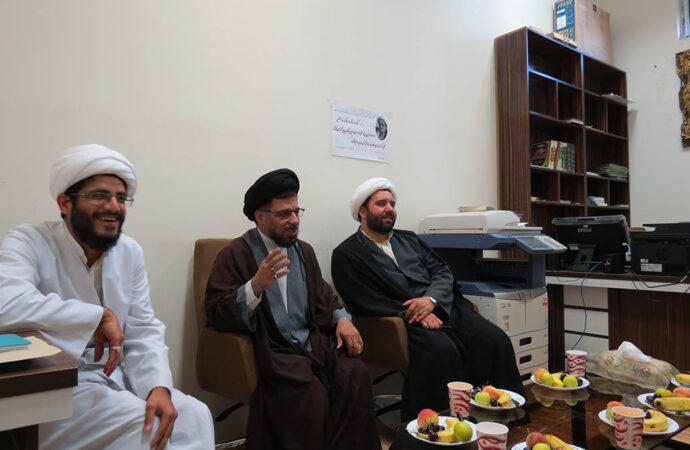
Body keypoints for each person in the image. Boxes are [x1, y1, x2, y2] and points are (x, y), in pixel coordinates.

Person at [0, 144, 214, 450]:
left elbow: (142, 330)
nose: (113, 206)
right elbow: (6, 304)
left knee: (194, 415)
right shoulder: (29, 240)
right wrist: (97, 316)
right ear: (65, 203)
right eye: (100, 195)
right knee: (144, 427)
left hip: (116, 377)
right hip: (59, 389)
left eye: (121, 198)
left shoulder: (129, 251)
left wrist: (157, 387)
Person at [205, 169, 380, 450]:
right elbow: (216, 311)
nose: (295, 220)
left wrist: (343, 319)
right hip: (274, 348)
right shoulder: (236, 253)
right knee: (309, 393)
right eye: (285, 214)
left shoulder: (303, 251)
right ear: (260, 217)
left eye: (297, 212)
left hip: (311, 341)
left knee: (354, 374)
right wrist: (255, 287)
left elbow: (324, 296)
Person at [331, 177, 525, 421]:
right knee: (442, 351)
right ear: (362, 211)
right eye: (381, 204)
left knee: (495, 340)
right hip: (405, 322)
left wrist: (432, 300)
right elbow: (362, 299)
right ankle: (442, 427)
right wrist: (417, 313)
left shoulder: (409, 239)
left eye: (392, 204)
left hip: (445, 308)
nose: (389, 209)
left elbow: (441, 271)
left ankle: (506, 418)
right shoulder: (346, 254)